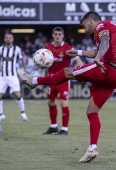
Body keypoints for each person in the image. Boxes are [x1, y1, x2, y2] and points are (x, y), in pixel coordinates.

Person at [17, 12, 116, 163]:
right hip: (111, 75)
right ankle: (92, 148)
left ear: (90, 21)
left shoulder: (102, 26)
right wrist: (80, 52)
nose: (84, 30)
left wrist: (97, 58)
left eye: (84, 26)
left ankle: (34, 80)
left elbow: (105, 43)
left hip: (107, 68)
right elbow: (99, 49)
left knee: (67, 72)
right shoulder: (104, 32)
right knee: (91, 111)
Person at [42, 27, 83, 135]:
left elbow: (79, 63)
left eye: (60, 34)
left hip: (64, 80)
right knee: (50, 102)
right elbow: (43, 62)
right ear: (52, 35)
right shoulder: (47, 48)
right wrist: (43, 74)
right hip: (51, 79)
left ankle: (64, 129)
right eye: (56, 34)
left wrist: (72, 72)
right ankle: (53, 126)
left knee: (63, 103)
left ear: (63, 36)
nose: (58, 36)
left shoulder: (68, 48)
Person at [0, 32, 28, 123]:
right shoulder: (0, 49)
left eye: (10, 37)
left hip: (12, 76)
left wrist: (24, 71)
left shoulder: (17, 49)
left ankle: (23, 112)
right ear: (4, 39)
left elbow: (22, 60)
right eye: (7, 37)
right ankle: (1, 115)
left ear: (12, 39)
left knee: (17, 94)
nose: (8, 39)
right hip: (2, 76)